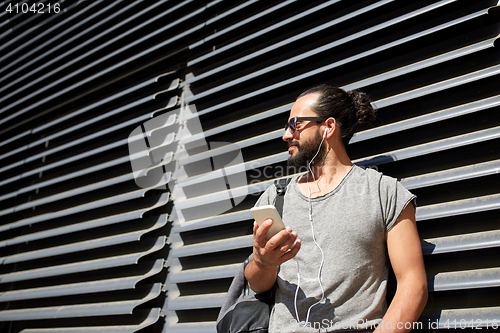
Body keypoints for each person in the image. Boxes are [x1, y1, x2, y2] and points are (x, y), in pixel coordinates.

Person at [244, 85, 428, 333]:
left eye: (294, 124)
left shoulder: (385, 192)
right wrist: (262, 261)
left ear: (328, 127)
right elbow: (257, 285)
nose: (286, 135)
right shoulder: (275, 197)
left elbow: (413, 285)